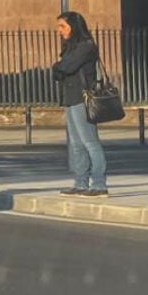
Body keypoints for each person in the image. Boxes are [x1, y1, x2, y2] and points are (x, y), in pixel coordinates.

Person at [52, 11, 108, 197]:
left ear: (74, 27)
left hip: (83, 98)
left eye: (63, 26)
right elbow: (59, 70)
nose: (59, 31)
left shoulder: (86, 46)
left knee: (90, 141)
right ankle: (80, 182)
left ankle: (99, 184)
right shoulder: (71, 47)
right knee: (75, 144)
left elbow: (65, 67)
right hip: (70, 98)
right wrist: (59, 68)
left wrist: (59, 67)